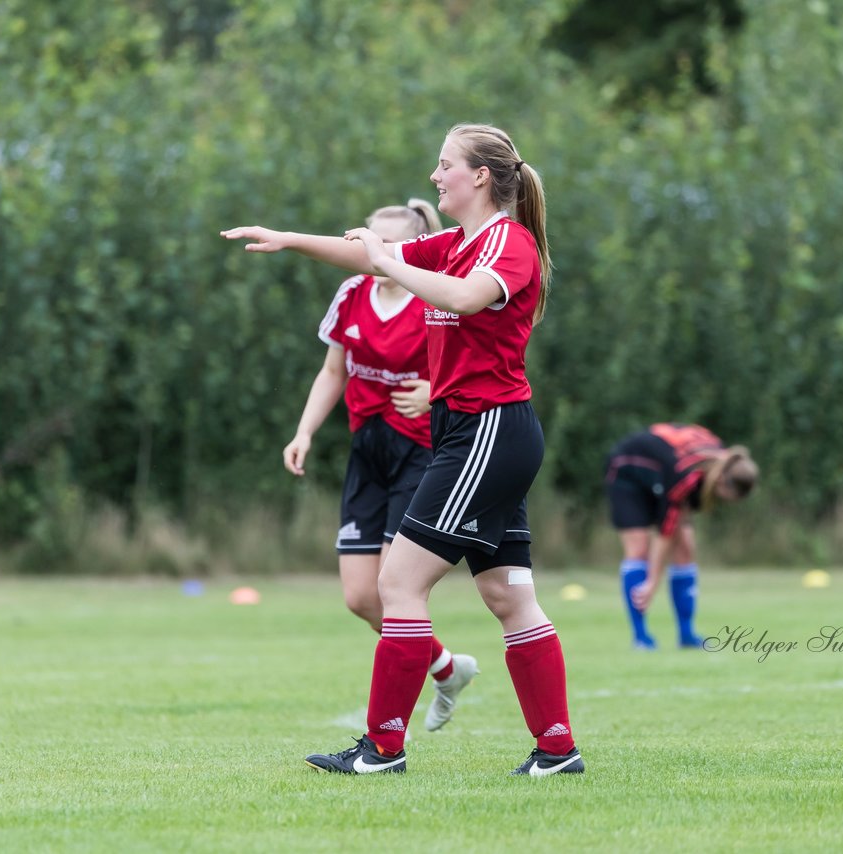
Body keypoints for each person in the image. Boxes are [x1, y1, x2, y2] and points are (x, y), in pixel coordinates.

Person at [222, 123, 582, 777]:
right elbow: (370, 258)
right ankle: (557, 752)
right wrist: (289, 240)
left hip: (485, 432)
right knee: (507, 596)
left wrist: (390, 263)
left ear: (479, 176)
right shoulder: (461, 241)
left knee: (398, 583)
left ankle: (383, 749)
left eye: (444, 165)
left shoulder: (508, 242)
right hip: (478, 434)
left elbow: (467, 297)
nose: (434, 176)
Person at [284, 198, 478, 732]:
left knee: (396, 591)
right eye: (368, 241)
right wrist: (304, 432)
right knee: (360, 597)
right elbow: (333, 371)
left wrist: (434, 392)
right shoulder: (350, 294)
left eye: (389, 243)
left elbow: (480, 363)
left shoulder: (433, 295)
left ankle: (386, 733)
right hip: (367, 451)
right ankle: (445, 668)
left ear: (411, 247)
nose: (375, 252)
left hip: (421, 453)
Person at [604, 423, 758, 650]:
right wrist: (652, 582)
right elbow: (666, 532)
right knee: (639, 549)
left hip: (659, 474)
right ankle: (641, 637)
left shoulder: (722, 461)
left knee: (686, 546)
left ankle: (686, 634)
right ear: (722, 482)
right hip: (628, 471)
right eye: (729, 497)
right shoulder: (685, 475)